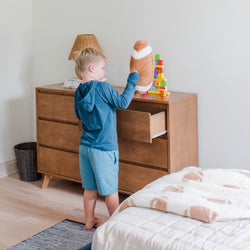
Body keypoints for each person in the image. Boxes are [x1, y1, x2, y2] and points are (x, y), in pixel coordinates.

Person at [74, 47, 139, 230]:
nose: (104, 72)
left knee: (90, 188)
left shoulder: (78, 91)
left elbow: (79, 115)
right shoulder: (103, 87)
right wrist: (132, 82)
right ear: (92, 68)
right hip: (104, 148)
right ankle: (117, 225)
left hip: (85, 147)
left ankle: (89, 220)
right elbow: (123, 102)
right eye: (103, 68)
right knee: (110, 190)